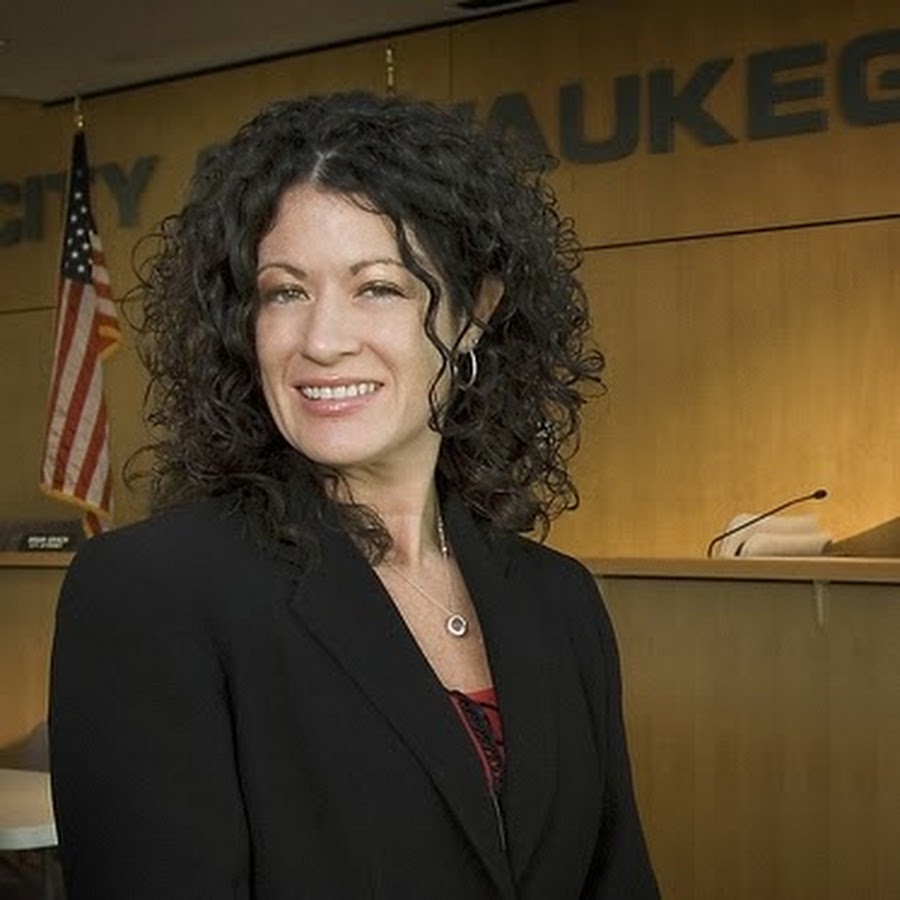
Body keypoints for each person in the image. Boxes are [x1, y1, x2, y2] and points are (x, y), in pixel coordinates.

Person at [48, 91, 660, 899]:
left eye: (378, 287)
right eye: (285, 292)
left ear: (475, 312)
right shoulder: (151, 592)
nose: (323, 341)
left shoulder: (561, 601)